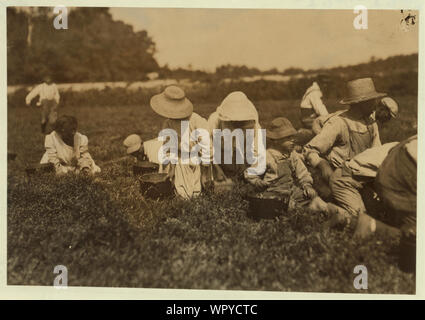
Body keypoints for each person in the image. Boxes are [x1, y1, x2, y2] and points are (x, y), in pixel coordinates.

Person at [303, 78, 386, 185]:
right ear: (361, 103)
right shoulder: (338, 123)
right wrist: (322, 164)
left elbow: (377, 152)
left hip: (363, 176)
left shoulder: (371, 124)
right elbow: (309, 149)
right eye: (372, 101)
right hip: (339, 177)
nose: (376, 105)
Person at [150, 85, 212, 199]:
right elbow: (170, 148)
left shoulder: (196, 121)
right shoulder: (168, 123)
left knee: (196, 194)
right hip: (180, 162)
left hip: (197, 162)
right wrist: (172, 169)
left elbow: (207, 149)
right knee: (183, 196)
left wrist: (204, 174)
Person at [245, 117, 318, 211]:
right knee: (273, 204)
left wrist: (307, 185)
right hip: (273, 191)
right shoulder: (267, 156)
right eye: (288, 138)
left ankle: (313, 205)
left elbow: (302, 172)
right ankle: (294, 207)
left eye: (293, 137)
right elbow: (250, 173)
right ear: (276, 140)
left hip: (290, 189)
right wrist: (257, 182)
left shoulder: (292, 155)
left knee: (309, 196)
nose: (293, 140)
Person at [208, 91, 265, 182]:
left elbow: (258, 152)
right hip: (220, 158)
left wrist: (251, 174)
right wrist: (217, 169)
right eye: (234, 122)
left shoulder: (254, 125)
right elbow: (208, 149)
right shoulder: (214, 121)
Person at [311, 96, 398, 135]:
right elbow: (318, 121)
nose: (388, 119)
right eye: (388, 116)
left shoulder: (373, 123)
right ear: (381, 109)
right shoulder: (364, 117)